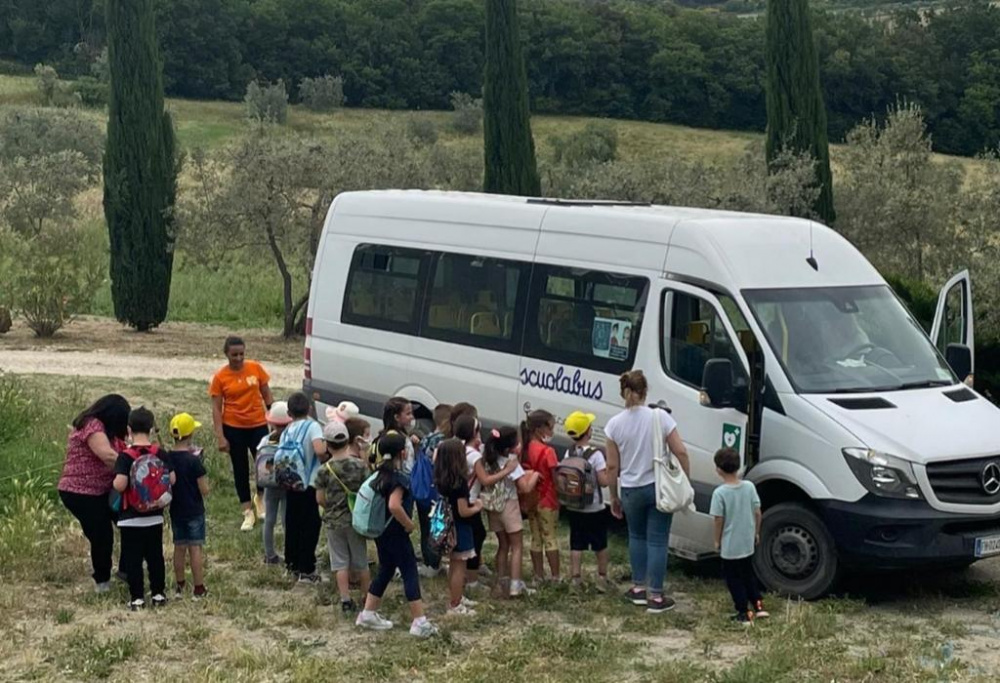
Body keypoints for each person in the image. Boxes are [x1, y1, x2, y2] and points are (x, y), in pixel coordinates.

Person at [605, 370, 691, 614]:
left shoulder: (614, 425)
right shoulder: (660, 418)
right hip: (657, 487)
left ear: (624, 392)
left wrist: (613, 496)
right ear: (645, 392)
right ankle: (656, 595)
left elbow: (613, 466)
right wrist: (685, 478)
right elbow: (681, 451)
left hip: (631, 489)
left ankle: (637, 588)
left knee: (637, 537)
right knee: (658, 539)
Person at [356, 433, 438, 638]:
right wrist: (409, 524)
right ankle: (419, 621)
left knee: (386, 568)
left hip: (380, 531)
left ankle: (368, 612)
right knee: (410, 570)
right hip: (395, 533)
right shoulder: (398, 479)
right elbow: (394, 505)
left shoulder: (377, 474)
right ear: (403, 452)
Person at [58, 394, 131, 593]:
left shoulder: (111, 433)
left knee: (130, 523)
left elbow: (125, 452)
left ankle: (126, 570)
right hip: (80, 493)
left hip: (103, 492)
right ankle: (102, 582)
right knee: (102, 536)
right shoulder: (92, 425)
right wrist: (134, 468)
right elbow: (107, 456)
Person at [209, 336, 274, 532]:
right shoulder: (220, 377)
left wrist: (274, 419)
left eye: (241, 354)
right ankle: (247, 510)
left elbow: (267, 394)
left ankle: (260, 498)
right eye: (234, 354)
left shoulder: (256, 368)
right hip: (233, 427)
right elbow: (216, 409)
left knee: (263, 465)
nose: (238, 358)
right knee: (240, 469)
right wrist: (221, 436)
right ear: (227, 354)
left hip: (258, 424)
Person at [113, 407, 173, 610]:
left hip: (130, 516)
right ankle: (158, 594)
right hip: (155, 514)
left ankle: (137, 597)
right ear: (151, 428)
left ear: (129, 429)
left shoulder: (125, 456)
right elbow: (171, 479)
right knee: (156, 556)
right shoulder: (160, 453)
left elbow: (120, 485)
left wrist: (114, 483)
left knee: (133, 558)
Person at [316, 420, 370, 614]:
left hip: (333, 521)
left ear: (327, 445)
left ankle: (345, 599)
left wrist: (331, 507)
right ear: (348, 441)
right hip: (356, 520)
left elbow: (320, 499)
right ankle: (366, 597)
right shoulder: (359, 466)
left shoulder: (324, 470)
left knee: (339, 562)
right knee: (361, 561)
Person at [711, 447, 768, 625]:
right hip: (747, 541)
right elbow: (758, 512)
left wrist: (717, 540)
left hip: (730, 545)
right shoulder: (749, 487)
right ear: (738, 467)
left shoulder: (719, 493)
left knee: (733, 578)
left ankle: (743, 612)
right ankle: (758, 606)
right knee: (748, 574)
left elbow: (719, 519)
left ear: (719, 469)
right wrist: (756, 532)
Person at [476, 426, 530, 597]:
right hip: (509, 505)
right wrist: (534, 476)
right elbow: (524, 487)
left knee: (503, 545)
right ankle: (515, 585)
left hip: (493, 507)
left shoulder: (487, 459)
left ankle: (501, 581)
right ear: (510, 448)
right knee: (517, 546)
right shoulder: (512, 464)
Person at [280, 392, 327, 582]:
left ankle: (291, 563)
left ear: (289, 412)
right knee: (311, 524)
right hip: (309, 482)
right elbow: (319, 450)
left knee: (292, 522)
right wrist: (326, 454)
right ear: (309, 408)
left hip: (290, 482)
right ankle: (307, 567)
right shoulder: (313, 426)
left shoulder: (288, 429)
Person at [563, 411, 612, 591]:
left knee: (576, 543)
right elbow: (604, 482)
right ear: (588, 431)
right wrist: (612, 472)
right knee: (600, 544)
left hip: (574, 505)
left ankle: (575, 579)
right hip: (594, 506)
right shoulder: (596, 455)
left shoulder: (568, 452)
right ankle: (602, 578)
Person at [434, 437, 483, 615]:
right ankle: (455, 604)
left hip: (448, 526)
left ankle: (457, 597)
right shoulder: (459, 483)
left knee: (454, 565)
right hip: (460, 527)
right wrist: (477, 506)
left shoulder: (442, 479)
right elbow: (463, 511)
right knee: (459, 567)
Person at [166, 413, 210, 600]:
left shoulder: (167, 458)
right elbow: (204, 489)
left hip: (176, 510)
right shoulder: (194, 460)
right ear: (190, 434)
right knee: (195, 549)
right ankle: (198, 588)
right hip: (194, 510)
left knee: (179, 547)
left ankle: (180, 585)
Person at [522, 409, 561, 583]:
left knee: (535, 537)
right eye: (550, 428)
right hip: (548, 499)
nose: (552, 432)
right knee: (550, 537)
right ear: (540, 429)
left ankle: (538, 575)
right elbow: (555, 478)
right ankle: (555, 576)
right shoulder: (548, 452)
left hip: (531, 498)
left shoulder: (525, 448)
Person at [415, 403, 451, 578]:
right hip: (435, 490)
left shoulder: (426, 437)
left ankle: (429, 561)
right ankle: (432, 562)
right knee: (435, 527)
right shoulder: (443, 441)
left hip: (423, 487)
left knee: (424, 526)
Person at [453, 412, 489, 589]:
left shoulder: (454, 448)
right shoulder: (474, 456)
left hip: (455, 499)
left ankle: (466, 574)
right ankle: (472, 579)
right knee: (477, 537)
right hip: (470, 500)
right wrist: (507, 470)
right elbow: (485, 480)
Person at [259, 401, 292, 566]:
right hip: (286, 484)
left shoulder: (266, 440)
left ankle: (269, 554)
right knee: (287, 520)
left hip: (269, 484)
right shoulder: (290, 440)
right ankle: (289, 552)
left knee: (269, 520)